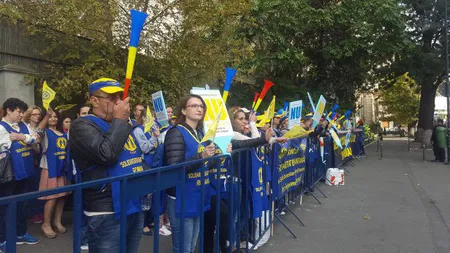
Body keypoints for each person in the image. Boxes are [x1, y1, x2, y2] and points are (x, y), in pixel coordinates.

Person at [69, 78, 145, 253]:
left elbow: (133, 158)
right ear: (94, 100)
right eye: (111, 97)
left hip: (133, 203)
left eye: (119, 96)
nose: (118, 101)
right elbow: (107, 154)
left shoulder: (122, 125)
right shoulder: (82, 125)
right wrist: (120, 121)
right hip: (106, 210)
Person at [164, 94, 216, 253]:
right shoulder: (176, 132)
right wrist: (201, 156)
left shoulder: (201, 133)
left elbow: (207, 164)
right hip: (181, 196)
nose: (199, 109)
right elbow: (175, 167)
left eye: (201, 106)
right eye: (194, 106)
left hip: (197, 194)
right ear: (184, 111)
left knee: (192, 244)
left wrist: (220, 155)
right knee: (183, 247)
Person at [0, 98, 40, 251]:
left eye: (23, 112)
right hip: (9, 175)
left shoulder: (23, 125)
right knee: (5, 208)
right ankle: (3, 239)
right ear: (9, 110)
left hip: (26, 171)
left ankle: (20, 234)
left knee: (23, 205)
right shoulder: (1, 128)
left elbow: (36, 139)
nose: (22, 115)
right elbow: (5, 143)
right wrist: (28, 139)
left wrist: (22, 137)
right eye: (19, 111)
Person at [37, 109, 71, 238]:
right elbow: (38, 131)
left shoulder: (63, 134)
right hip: (50, 168)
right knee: (52, 197)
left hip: (62, 168)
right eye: (50, 117)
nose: (53, 119)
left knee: (62, 196)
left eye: (55, 117)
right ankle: (46, 224)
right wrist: (45, 117)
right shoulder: (45, 133)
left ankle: (57, 221)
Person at [23, 106, 45, 224]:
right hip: (30, 158)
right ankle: (32, 212)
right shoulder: (25, 128)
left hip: (40, 157)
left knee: (39, 185)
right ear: (29, 116)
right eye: (34, 114)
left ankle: (38, 211)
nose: (37, 116)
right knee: (31, 186)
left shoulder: (41, 128)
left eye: (38, 114)